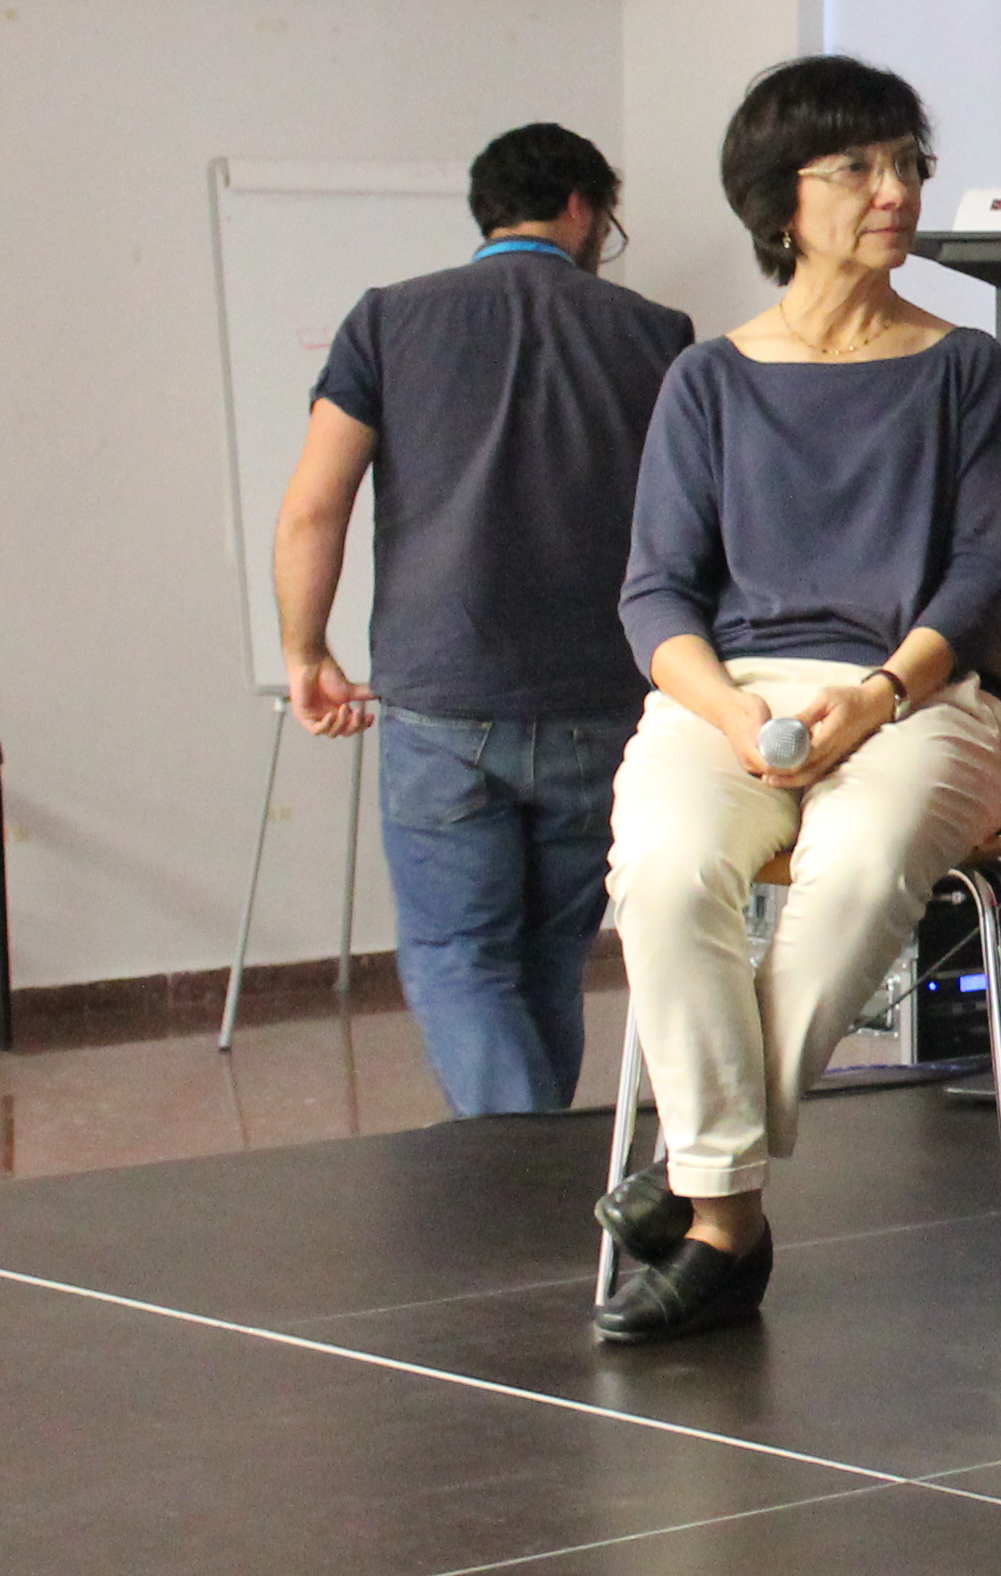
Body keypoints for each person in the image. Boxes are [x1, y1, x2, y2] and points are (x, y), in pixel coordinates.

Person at [591, 57, 1001, 1346]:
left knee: (865, 860)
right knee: (664, 868)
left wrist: (878, 697)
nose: (897, 192)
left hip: (918, 696)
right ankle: (721, 1206)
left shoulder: (962, 367)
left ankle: (705, 1192)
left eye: (908, 165)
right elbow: (655, 594)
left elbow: (979, 578)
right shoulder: (709, 379)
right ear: (781, 199)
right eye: (860, 169)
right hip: (731, 695)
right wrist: (731, 715)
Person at [273, 124, 690, 1120]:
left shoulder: (388, 320)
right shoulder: (656, 334)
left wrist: (304, 649)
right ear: (583, 207)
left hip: (443, 698)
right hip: (604, 695)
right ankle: (541, 1176)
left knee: (458, 954)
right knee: (551, 954)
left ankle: (524, 1171)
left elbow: (313, 508)